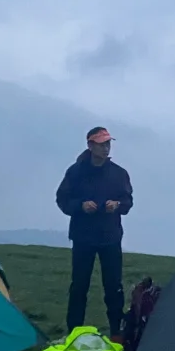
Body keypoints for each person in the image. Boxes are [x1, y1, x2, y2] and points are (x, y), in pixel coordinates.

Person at [55, 127, 133, 337]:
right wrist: (80, 206)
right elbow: (62, 200)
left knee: (113, 286)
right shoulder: (76, 171)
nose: (106, 148)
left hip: (110, 237)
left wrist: (116, 205)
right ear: (90, 145)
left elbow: (128, 202)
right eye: (101, 144)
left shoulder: (119, 173)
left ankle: (117, 331)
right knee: (79, 286)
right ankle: (74, 332)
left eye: (108, 143)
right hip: (83, 237)